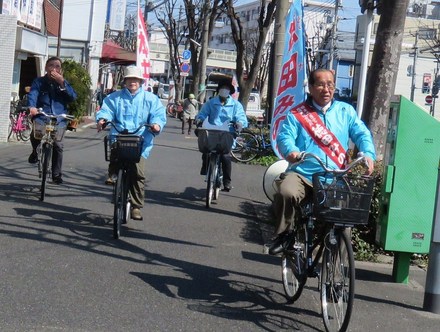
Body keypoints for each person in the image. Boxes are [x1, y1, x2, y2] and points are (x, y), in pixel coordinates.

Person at [267, 68, 376, 255]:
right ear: (310, 87)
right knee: (286, 192)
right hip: (304, 174)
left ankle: (337, 267)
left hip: (335, 177)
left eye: (330, 84)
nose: (326, 89)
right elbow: (285, 137)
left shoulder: (345, 111)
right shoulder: (297, 114)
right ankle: (285, 235)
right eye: (320, 84)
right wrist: (291, 151)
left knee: (344, 220)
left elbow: (361, 133)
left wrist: (367, 153)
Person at [96, 66, 166, 221]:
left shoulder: (150, 99)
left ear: (140, 81)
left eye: (135, 79)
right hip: (119, 136)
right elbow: (106, 110)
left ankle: (136, 206)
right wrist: (102, 120)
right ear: (125, 81)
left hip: (140, 140)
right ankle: (113, 174)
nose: (132, 82)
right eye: (129, 79)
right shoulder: (115, 97)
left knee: (138, 173)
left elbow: (158, 115)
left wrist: (156, 124)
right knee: (114, 156)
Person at [27, 56, 78, 185]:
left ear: (60, 70)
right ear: (46, 68)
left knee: (58, 145)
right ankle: (35, 151)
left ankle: (56, 174)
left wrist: (62, 83)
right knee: (36, 133)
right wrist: (32, 107)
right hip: (42, 115)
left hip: (59, 118)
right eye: (51, 66)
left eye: (57, 66)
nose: (54, 69)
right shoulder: (39, 82)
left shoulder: (63, 83)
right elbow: (33, 94)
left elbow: (72, 97)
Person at [195, 79, 248, 192]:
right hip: (212, 131)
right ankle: (205, 167)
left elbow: (241, 117)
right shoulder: (210, 102)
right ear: (219, 90)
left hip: (227, 133)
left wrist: (239, 123)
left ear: (230, 91)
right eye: (223, 88)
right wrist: (200, 120)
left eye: (227, 88)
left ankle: (227, 182)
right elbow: (202, 114)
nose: (225, 90)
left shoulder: (235, 105)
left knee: (225, 156)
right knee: (205, 150)